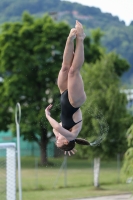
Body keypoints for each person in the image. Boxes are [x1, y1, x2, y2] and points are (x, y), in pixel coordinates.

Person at [45, 20, 90, 156]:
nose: (56, 138)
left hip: (64, 94)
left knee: (65, 67)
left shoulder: (68, 135)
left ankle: (70, 38)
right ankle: (81, 38)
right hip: (75, 101)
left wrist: (70, 146)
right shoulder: (71, 135)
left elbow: (56, 130)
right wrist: (47, 115)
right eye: (58, 141)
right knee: (73, 72)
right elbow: (56, 127)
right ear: (66, 141)